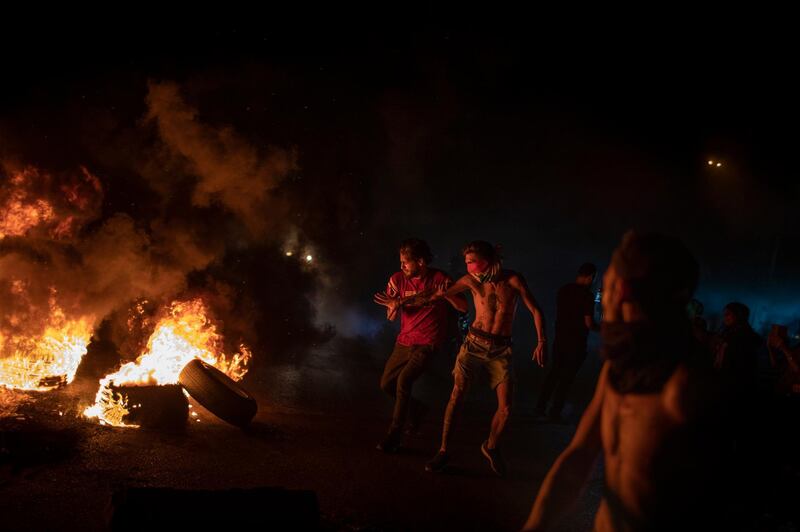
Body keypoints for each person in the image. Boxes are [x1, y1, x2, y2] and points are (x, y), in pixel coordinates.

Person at [523, 231, 730, 531]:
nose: (601, 295)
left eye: (605, 286)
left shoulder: (686, 387)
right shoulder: (620, 368)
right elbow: (579, 456)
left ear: (621, 290)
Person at [423, 241, 547, 477]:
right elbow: (439, 293)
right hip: (473, 345)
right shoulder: (469, 281)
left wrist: (541, 342)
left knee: (506, 408)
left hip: (501, 350)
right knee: (457, 394)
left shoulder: (513, 280)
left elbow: (536, 311)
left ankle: (491, 446)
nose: (470, 268)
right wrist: (432, 296)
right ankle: (443, 450)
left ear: (489, 260)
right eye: (467, 263)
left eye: (473, 262)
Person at [373, 238, 467, 453]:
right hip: (404, 341)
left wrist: (447, 296)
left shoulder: (440, 278)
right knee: (386, 385)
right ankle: (417, 409)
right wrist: (393, 307)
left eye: (406, 262)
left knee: (404, 381)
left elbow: (463, 308)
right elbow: (390, 316)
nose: (402, 266)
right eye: (401, 262)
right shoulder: (397, 279)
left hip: (428, 342)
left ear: (421, 261)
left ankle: (394, 434)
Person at [533, 262, 598, 422]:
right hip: (576, 343)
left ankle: (540, 408)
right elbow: (589, 323)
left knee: (554, 374)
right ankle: (555, 412)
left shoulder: (564, 290)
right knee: (566, 379)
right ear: (591, 277)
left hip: (560, 339)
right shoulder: (587, 296)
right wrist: (604, 329)